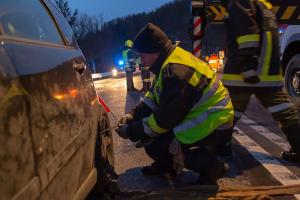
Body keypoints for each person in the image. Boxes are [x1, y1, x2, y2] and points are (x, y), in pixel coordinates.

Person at [116, 23, 234, 184]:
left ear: (155, 51)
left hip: (214, 121)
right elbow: (153, 99)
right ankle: (167, 166)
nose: (141, 61)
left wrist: (131, 131)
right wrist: (132, 115)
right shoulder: (166, 63)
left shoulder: (176, 72)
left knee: (159, 143)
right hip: (204, 114)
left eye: (143, 56)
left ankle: (211, 168)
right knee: (152, 139)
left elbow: (165, 119)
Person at [221, 0, 300, 162]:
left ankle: (217, 151)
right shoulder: (264, 6)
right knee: (285, 112)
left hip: (242, 74)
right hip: (268, 75)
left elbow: (247, 33)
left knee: (226, 114)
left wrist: (247, 66)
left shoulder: (239, 2)